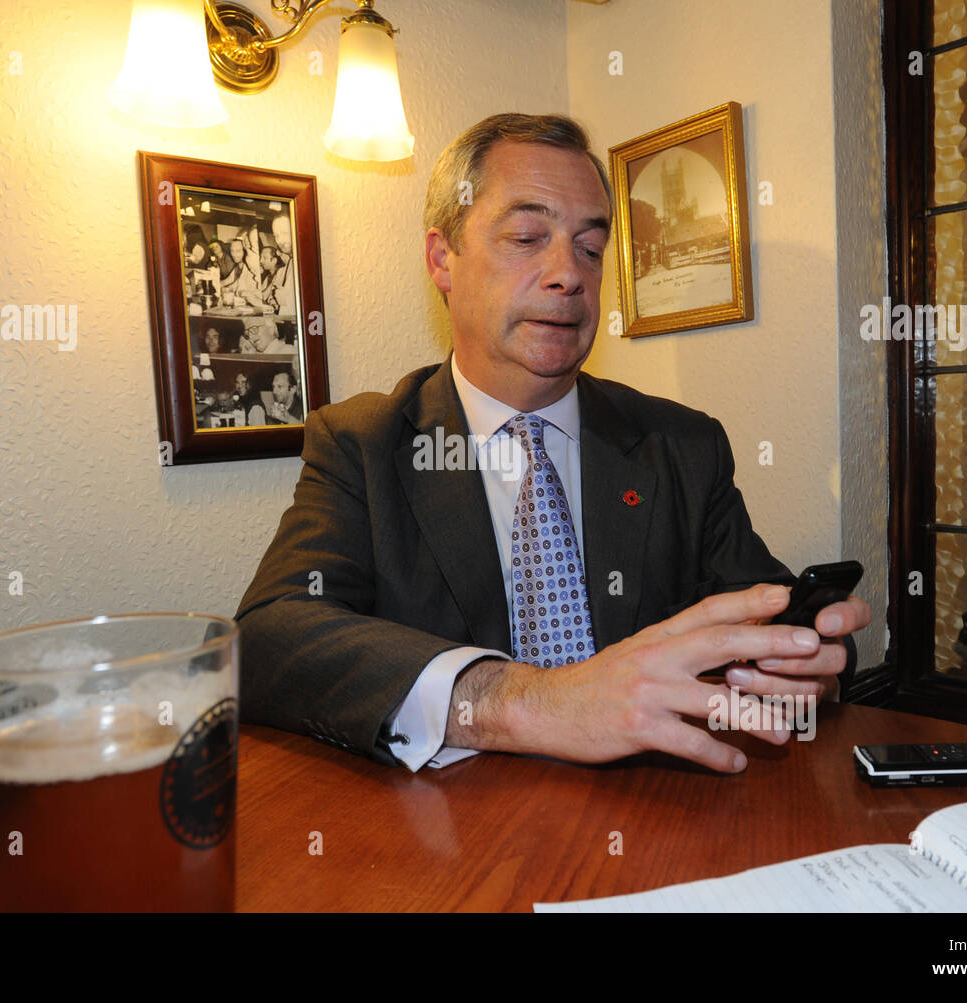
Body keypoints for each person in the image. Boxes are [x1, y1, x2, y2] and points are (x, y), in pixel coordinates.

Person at [235, 113, 871, 774]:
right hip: (449, 845)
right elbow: (269, 640)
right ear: (442, 259)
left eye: (590, 248)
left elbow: (766, 616)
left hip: (656, 819)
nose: (568, 273)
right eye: (527, 236)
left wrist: (810, 661)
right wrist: (526, 702)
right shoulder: (362, 445)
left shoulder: (683, 446)